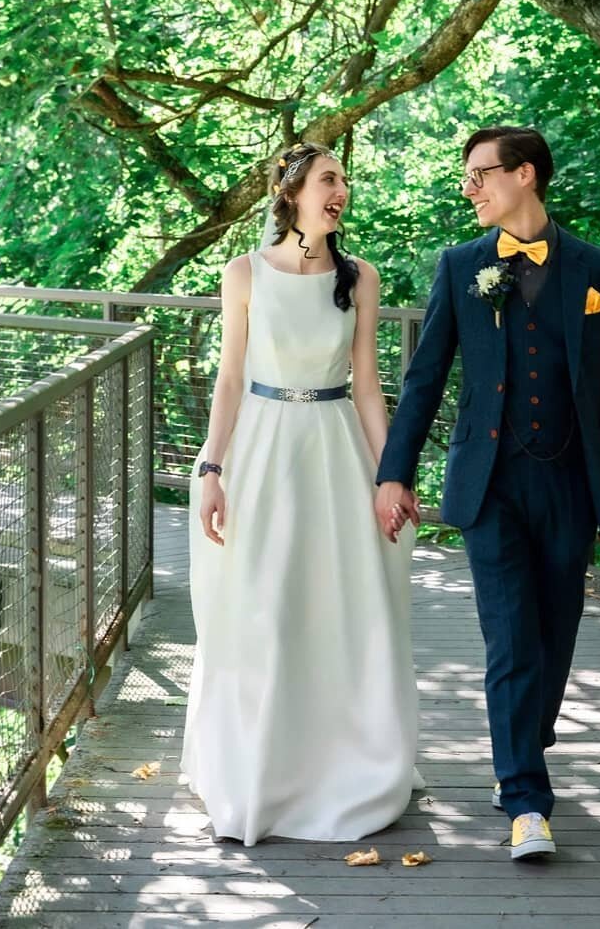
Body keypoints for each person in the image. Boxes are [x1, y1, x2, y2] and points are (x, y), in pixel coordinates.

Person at [375, 126, 600, 860]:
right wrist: (394, 472)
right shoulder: (461, 265)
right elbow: (424, 377)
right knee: (512, 639)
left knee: (555, 638)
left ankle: (526, 736)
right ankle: (526, 798)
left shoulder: (597, 271)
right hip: (488, 484)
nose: (470, 189)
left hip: (571, 482)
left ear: (524, 175)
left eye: (479, 175)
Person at [181, 141, 418, 844]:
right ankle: (260, 767)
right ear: (291, 194)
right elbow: (228, 380)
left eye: (343, 179)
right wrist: (212, 469)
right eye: (327, 179)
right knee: (264, 606)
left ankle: (344, 762)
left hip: (335, 447)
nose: (340, 190)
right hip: (261, 448)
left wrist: (391, 474)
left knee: (342, 605)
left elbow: (370, 388)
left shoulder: (360, 276)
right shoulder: (243, 271)